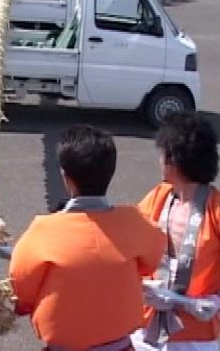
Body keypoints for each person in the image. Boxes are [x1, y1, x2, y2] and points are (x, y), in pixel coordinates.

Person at [10, 125, 165, 351]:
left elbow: (22, 285)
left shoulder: (43, 231)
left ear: (66, 178)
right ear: (110, 172)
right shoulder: (135, 222)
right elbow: (150, 261)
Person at [133, 112, 220, 351]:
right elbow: (132, 248)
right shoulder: (156, 198)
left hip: (194, 337)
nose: (159, 161)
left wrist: (218, 299)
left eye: (162, 155)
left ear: (173, 161)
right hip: (146, 328)